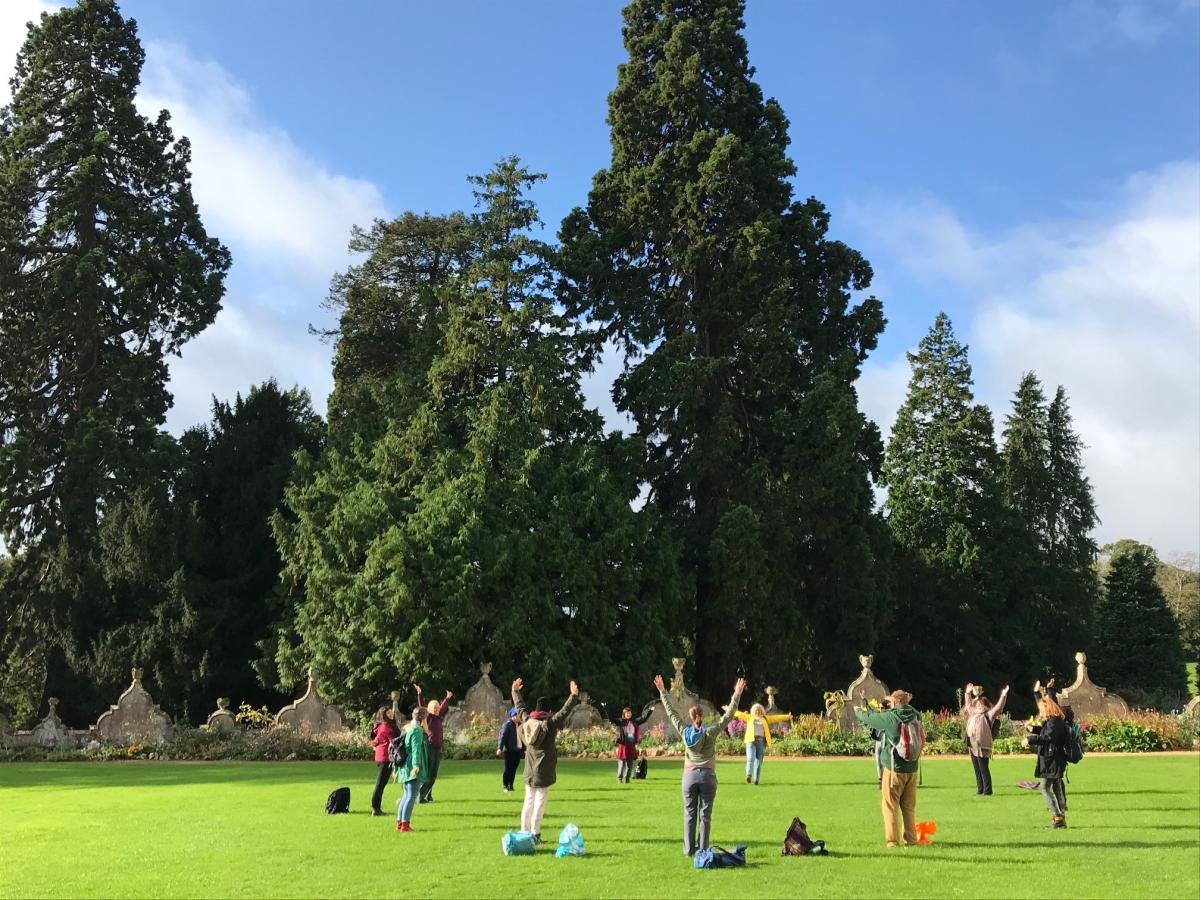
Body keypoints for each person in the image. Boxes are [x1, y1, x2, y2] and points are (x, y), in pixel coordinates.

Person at [654, 672, 746, 857]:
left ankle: (689, 850)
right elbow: (728, 716)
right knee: (705, 815)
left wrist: (663, 691)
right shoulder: (710, 732)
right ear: (702, 717)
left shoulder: (684, 730)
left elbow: (671, 713)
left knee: (690, 814)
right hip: (708, 776)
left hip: (689, 776)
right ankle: (702, 849)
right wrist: (736, 694)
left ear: (690, 717)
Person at [511, 676, 579, 842]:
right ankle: (535, 834)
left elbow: (520, 709)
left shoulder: (527, 721)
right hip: (544, 770)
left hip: (529, 768)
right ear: (548, 711)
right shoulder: (549, 724)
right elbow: (564, 712)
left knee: (528, 801)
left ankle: (524, 832)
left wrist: (515, 692)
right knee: (539, 803)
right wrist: (573, 696)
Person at [855, 689, 921, 848]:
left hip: (894, 769)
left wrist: (858, 710)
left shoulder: (891, 717)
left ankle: (892, 842)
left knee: (890, 806)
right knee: (908, 808)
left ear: (895, 702)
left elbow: (870, 718)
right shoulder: (915, 715)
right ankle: (911, 841)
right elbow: (906, 709)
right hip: (912, 769)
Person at [1022, 695, 1070, 829]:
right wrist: (1032, 729)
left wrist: (1029, 739)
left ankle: (1058, 817)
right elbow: (1045, 732)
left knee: (1043, 787)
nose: (1041, 712)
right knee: (1057, 787)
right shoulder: (1053, 721)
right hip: (1055, 759)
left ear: (1047, 707)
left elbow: (1048, 737)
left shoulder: (1054, 721)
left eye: (1042, 709)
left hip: (1053, 760)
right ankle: (1061, 817)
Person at [962, 683, 1010, 796]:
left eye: (981, 703)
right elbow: (968, 705)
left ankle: (987, 791)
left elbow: (998, 708)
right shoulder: (973, 713)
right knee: (977, 769)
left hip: (982, 745)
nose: (978, 705)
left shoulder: (989, 714)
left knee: (984, 769)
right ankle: (980, 790)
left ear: (985, 705)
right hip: (972, 744)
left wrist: (1003, 695)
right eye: (977, 704)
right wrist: (967, 693)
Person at [733, 702, 792, 785]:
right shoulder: (749, 717)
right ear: (753, 711)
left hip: (761, 742)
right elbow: (739, 714)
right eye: (756, 710)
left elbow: (776, 718)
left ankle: (756, 780)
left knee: (758, 762)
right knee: (750, 758)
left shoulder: (765, 718)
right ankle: (748, 775)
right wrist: (729, 709)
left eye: (759, 710)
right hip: (751, 741)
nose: (758, 712)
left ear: (762, 711)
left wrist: (787, 717)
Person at [413, 683, 453, 803]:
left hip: (437, 748)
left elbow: (444, 707)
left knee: (434, 773)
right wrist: (419, 693)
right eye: (433, 707)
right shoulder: (428, 717)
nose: (436, 709)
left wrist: (448, 698)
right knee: (428, 773)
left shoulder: (439, 717)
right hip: (429, 747)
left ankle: (428, 794)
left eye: (437, 707)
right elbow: (422, 706)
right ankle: (421, 796)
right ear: (429, 710)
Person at [599, 701, 655, 784]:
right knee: (621, 765)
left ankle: (627, 780)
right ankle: (619, 779)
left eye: (630, 713)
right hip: (623, 745)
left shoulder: (635, 721)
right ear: (624, 714)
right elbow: (611, 718)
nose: (629, 714)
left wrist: (650, 710)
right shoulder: (621, 721)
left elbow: (644, 718)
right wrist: (605, 708)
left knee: (630, 765)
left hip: (631, 745)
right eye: (627, 713)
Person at [395, 706, 431, 832]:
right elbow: (416, 749)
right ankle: (405, 825)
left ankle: (400, 823)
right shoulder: (416, 730)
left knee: (406, 795)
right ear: (423, 718)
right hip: (411, 766)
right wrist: (416, 765)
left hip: (404, 765)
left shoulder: (407, 727)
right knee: (411, 796)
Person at [369, 706, 400, 816]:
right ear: (383, 715)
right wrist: (375, 744)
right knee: (380, 784)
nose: (391, 714)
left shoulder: (387, 724)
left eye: (391, 712)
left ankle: (376, 808)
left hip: (385, 757)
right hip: (384, 757)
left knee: (382, 783)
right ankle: (375, 808)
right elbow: (376, 740)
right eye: (388, 713)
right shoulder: (385, 726)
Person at [496, 706, 523, 792]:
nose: (518, 717)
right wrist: (499, 748)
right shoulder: (507, 725)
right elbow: (502, 737)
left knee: (514, 768)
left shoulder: (520, 725)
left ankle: (511, 785)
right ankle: (505, 785)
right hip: (508, 750)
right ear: (512, 716)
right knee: (508, 768)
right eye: (517, 715)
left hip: (517, 750)